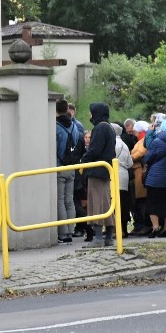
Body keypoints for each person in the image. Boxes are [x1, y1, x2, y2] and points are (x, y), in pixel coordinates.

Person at [80, 102, 116, 248]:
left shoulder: (100, 128)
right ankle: (108, 236)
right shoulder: (109, 127)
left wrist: (83, 160)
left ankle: (98, 237)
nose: (90, 115)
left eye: (91, 112)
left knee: (96, 203)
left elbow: (94, 150)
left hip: (97, 170)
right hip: (105, 170)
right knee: (106, 202)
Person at [55, 100, 82, 244]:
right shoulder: (74, 126)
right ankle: (71, 230)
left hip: (59, 167)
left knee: (60, 201)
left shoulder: (55, 127)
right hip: (71, 167)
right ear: (67, 110)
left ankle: (63, 234)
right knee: (69, 200)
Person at [112, 123, 134, 238]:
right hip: (124, 176)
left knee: (115, 204)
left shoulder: (112, 143)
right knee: (123, 203)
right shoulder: (124, 145)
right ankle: (123, 229)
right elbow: (130, 163)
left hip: (114, 175)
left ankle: (116, 230)